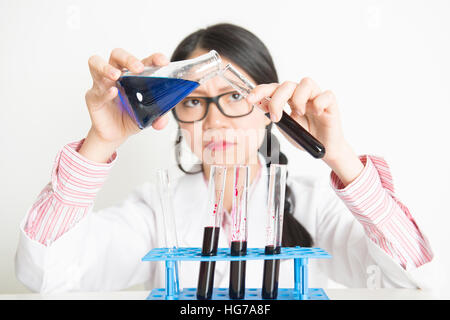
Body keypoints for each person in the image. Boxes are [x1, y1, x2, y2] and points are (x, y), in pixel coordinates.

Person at [16, 23, 434, 293]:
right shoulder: (153, 213)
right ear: (173, 115)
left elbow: (411, 274)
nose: (214, 119)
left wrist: (340, 155)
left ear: (270, 104)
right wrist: (100, 140)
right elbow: (46, 272)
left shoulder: (315, 207)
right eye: (194, 101)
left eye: (235, 95)